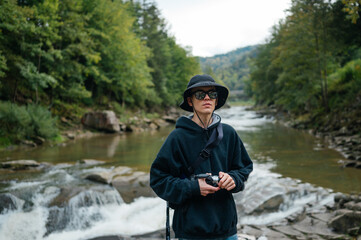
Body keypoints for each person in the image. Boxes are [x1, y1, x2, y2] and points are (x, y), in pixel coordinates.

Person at [150, 74, 253, 240]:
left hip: (227, 230)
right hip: (191, 232)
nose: (207, 98)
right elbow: (158, 180)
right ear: (190, 101)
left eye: (212, 94)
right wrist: (193, 187)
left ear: (216, 100)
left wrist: (234, 179)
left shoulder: (228, 133)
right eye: (200, 94)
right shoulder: (177, 138)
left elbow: (244, 168)